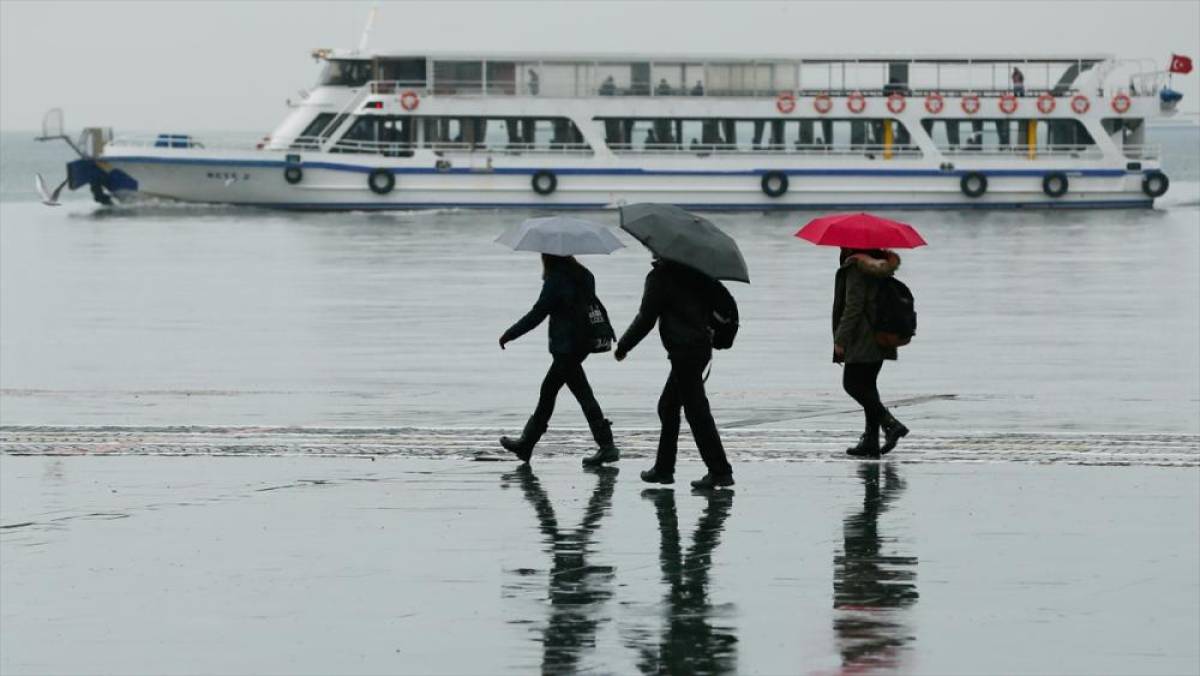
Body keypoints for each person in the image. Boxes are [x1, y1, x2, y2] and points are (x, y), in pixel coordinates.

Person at [615, 258, 734, 489]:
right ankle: (664, 469)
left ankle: (720, 471)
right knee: (669, 406)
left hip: (684, 351)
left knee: (696, 412)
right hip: (700, 348)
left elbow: (646, 318)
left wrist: (624, 345)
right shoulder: (697, 272)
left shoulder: (660, 277)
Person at [498, 254, 619, 467]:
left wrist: (510, 334)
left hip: (566, 346)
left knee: (570, 393)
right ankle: (527, 444)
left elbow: (537, 313)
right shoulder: (585, 275)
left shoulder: (556, 280)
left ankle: (606, 446)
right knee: (557, 391)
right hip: (583, 343)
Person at [833, 248, 909, 457]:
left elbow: (853, 307)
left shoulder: (856, 268)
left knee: (852, 384)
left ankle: (891, 424)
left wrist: (840, 339)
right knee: (868, 388)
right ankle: (871, 440)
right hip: (881, 335)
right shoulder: (881, 265)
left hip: (862, 338)